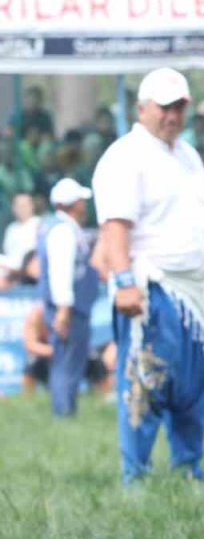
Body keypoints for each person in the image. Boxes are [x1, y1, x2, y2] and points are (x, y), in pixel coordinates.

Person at [91, 67, 204, 483]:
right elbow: (115, 226)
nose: (172, 115)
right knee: (147, 375)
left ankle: (189, 464)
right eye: (164, 106)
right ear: (142, 108)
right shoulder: (126, 155)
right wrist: (123, 282)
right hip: (151, 283)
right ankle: (134, 472)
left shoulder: (189, 155)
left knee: (197, 377)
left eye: (179, 106)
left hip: (194, 284)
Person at [36, 178, 99, 417]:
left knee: (70, 359)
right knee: (67, 360)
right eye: (80, 200)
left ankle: (65, 409)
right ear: (70, 203)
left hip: (72, 306)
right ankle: (63, 412)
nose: (84, 204)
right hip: (69, 308)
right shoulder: (62, 231)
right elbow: (61, 271)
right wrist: (64, 308)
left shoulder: (61, 227)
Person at [21, 303, 53, 398]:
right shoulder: (35, 315)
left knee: (93, 357)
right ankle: (28, 398)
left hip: (67, 354)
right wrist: (52, 351)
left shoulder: (69, 313)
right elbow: (30, 345)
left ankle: (98, 398)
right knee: (31, 360)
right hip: (47, 354)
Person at [3, 193, 40, 270]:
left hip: (30, 273)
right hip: (10, 270)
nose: (21, 209)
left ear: (32, 206)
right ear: (13, 208)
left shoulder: (39, 225)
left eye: (24, 206)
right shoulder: (11, 229)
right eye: (18, 206)